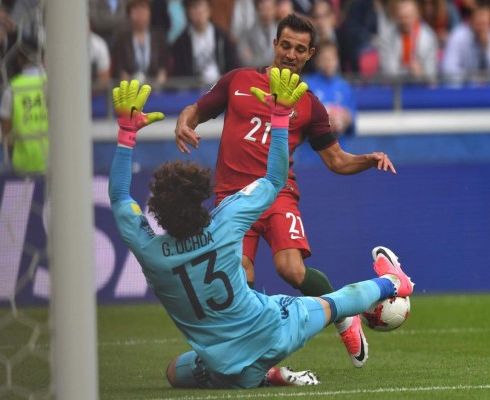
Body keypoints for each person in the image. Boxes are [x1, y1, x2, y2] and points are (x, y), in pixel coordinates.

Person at [109, 74, 414, 389]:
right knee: (334, 303)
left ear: (156, 210)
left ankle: (264, 375)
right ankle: (393, 282)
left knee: (174, 373)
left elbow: (119, 198)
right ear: (201, 198)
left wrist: (126, 134)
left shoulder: (150, 252)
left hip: (225, 366)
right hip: (276, 332)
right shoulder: (224, 223)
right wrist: (280, 118)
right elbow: (273, 179)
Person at [174, 13, 397, 369]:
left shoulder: (309, 104)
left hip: (277, 194)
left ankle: (344, 318)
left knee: (291, 270)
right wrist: (183, 123)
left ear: (309, 54)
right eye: (286, 46)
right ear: (275, 45)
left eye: (300, 49)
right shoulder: (238, 81)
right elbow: (196, 110)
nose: (291, 54)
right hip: (232, 199)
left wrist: (368, 159)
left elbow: (336, 161)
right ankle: (251, 353)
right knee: (239, 277)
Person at [0, 39, 48, 174]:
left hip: (23, 166)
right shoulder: (55, 84)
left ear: (19, 59)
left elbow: (5, 132)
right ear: (43, 57)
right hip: (56, 163)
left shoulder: (11, 89)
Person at [171, 0, 241, 85]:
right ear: (189, 13)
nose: (198, 15)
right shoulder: (181, 43)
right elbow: (180, 74)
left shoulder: (222, 38)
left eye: (201, 11)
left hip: (220, 86)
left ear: (209, 11)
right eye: (194, 10)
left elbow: (234, 66)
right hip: (193, 89)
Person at [441, 1, 490, 85]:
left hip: (489, 93)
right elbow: (448, 72)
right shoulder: (457, 37)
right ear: (471, 19)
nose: (482, 25)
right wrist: (472, 80)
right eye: (479, 19)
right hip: (463, 91)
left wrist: (488, 49)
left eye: (486, 22)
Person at [376, 0, 439, 81]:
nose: (404, 21)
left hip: (421, 89)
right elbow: (389, 74)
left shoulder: (429, 38)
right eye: (401, 17)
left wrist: (421, 74)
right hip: (393, 89)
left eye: (407, 17)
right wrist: (410, 72)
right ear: (396, 15)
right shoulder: (386, 38)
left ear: (417, 14)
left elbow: (431, 75)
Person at [111, 0, 169, 86]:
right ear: (130, 13)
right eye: (136, 9)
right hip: (129, 90)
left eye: (144, 8)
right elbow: (119, 68)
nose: (140, 13)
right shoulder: (121, 39)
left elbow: (163, 65)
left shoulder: (159, 38)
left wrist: (161, 78)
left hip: (156, 90)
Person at [304, 41, 355, 136]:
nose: (329, 63)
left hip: (339, 147)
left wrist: (346, 119)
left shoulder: (345, 87)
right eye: (325, 59)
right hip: (312, 148)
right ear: (317, 61)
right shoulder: (306, 85)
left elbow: (352, 123)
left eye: (332, 58)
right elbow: (301, 119)